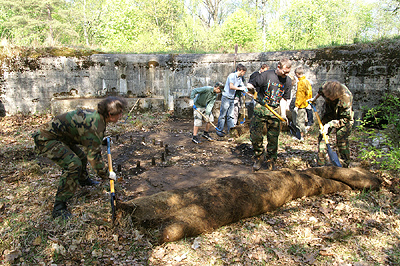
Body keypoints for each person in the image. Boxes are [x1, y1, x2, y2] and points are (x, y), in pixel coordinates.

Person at [32, 96, 127, 220]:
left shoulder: (97, 117)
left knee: (81, 157)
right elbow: (94, 158)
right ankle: (59, 207)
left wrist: (98, 141)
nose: (121, 116)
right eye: (119, 113)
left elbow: (85, 134)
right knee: (73, 164)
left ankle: (83, 180)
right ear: (110, 114)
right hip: (46, 139)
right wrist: (106, 174)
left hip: (61, 137)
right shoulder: (95, 125)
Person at [248, 58, 292, 171]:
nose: (286, 74)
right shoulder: (266, 75)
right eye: (284, 72)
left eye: (288, 72)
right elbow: (250, 85)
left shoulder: (288, 81)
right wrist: (251, 90)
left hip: (275, 111)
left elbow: (283, 99)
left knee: (273, 138)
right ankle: (259, 156)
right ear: (278, 67)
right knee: (255, 135)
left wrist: (283, 114)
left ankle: (271, 160)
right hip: (261, 108)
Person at [310, 80, 354, 167]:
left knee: (342, 140)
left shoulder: (346, 98)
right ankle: (320, 164)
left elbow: (346, 119)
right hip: (329, 112)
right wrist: (314, 99)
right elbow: (320, 92)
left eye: (331, 98)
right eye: (327, 97)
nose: (328, 98)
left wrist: (329, 125)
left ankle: (345, 164)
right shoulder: (325, 87)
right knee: (323, 135)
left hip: (343, 117)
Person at [216, 64, 247, 136]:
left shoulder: (239, 78)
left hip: (232, 98)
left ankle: (231, 131)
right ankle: (219, 130)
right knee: (223, 115)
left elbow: (243, 86)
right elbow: (231, 86)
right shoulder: (232, 76)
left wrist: (245, 89)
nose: (244, 74)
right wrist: (240, 88)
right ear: (241, 71)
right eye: (244, 72)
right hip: (226, 97)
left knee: (231, 116)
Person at [292, 66, 312, 141]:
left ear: (297, 74)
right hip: (305, 104)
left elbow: (300, 96)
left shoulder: (301, 83)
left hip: (301, 105)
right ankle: (301, 135)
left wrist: (297, 105)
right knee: (302, 120)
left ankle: (301, 137)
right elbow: (309, 93)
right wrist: (308, 102)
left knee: (299, 121)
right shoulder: (307, 81)